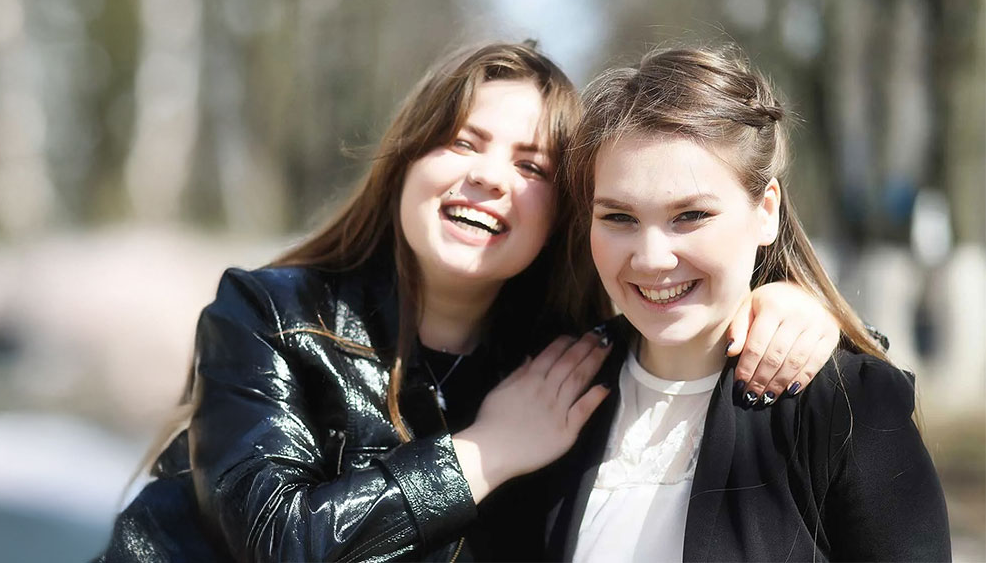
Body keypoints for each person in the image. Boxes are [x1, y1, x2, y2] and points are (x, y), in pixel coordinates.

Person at [97, 41, 843, 562]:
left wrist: (792, 309)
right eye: (461, 142)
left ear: (566, 213)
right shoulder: (268, 316)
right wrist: (483, 454)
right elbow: (276, 541)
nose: (489, 177)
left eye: (530, 164)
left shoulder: (570, 359)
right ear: (405, 161)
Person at [541, 44, 951, 561]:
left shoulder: (848, 409)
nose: (650, 258)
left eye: (689, 215)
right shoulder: (560, 390)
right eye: (619, 217)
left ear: (766, 211)